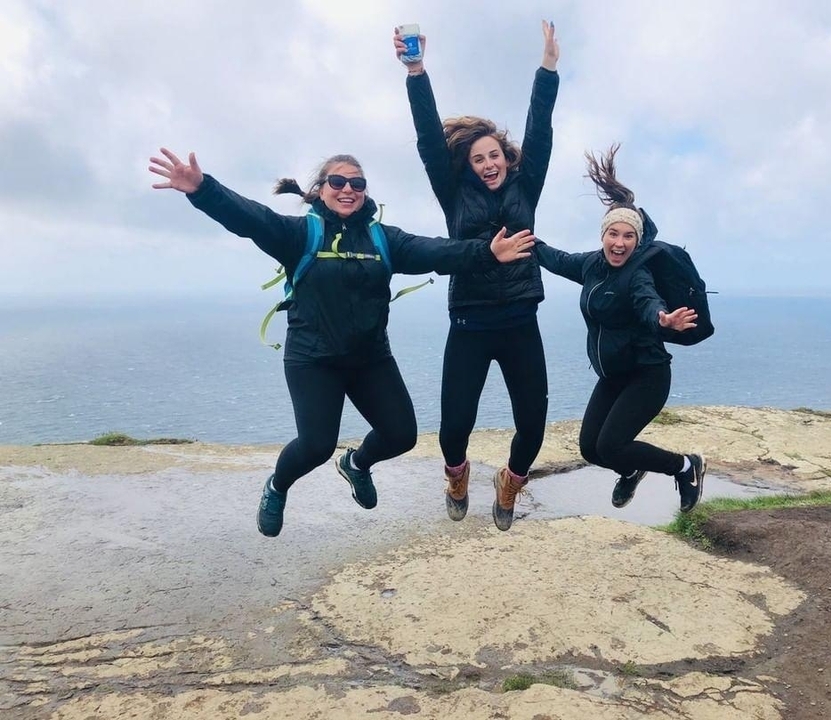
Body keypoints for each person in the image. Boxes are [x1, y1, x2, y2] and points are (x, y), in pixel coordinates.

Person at [148, 148, 535, 537]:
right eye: (338, 181)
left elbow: (436, 251)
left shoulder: (382, 238)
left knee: (401, 436)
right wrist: (202, 189)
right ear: (320, 190)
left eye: (357, 183)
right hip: (313, 360)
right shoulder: (299, 235)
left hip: (369, 359)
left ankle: (356, 464)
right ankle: (277, 486)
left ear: (366, 193)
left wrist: (487, 252)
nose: (348, 189)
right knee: (316, 445)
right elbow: (249, 217)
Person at [393, 21, 560, 531]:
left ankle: (509, 484)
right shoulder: (454, 193)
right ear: (467, 165)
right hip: (469, 321)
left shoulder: (525, 185)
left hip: (519, 320)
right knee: (453, 430)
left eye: (495, 156)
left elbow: (540, 129)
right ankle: (457, 475)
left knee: (532, 425)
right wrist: (416, 72)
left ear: (507, 160)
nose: (489, 163)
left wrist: (547, 69)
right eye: (478, 158)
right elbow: (427, 139)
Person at [533, 144, 706, 513]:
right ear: (603, 235)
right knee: (590, 449)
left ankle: (686, 466)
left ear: (637, 240)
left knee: (610, 444)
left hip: (647, 374)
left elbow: (647, 303)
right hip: (613, 375)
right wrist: (526, 240)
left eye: (629, 237)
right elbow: (557, 259)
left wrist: (663, 319)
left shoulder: (637, 274)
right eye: (614, 234)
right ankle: (631, 471)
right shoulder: (591, 266)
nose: (620, 243)